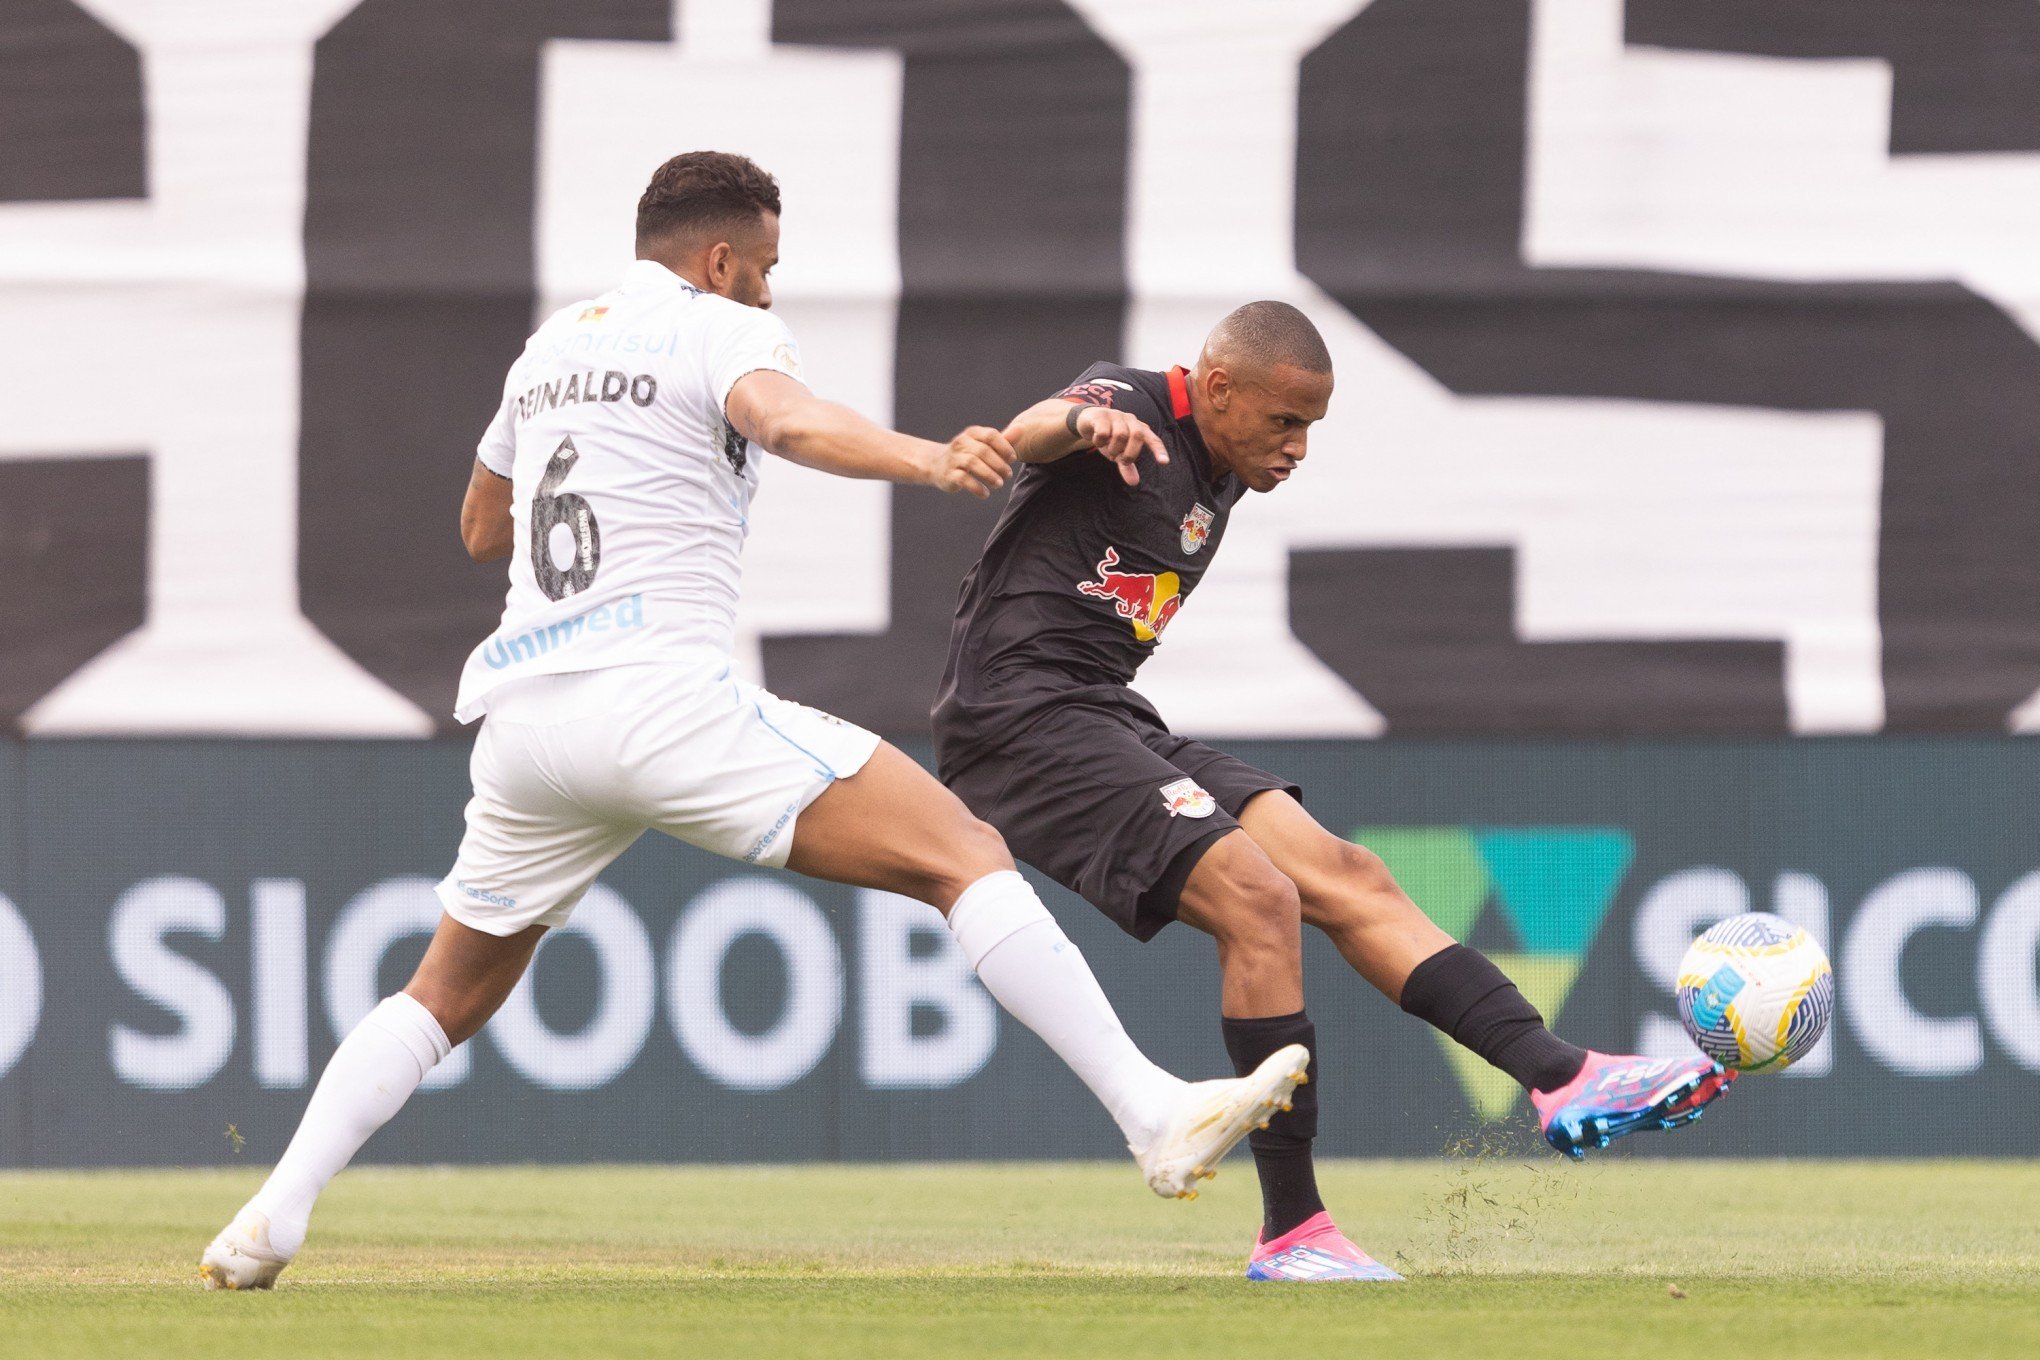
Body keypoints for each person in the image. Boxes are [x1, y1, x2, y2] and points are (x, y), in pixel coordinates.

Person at [199, 154, 1304, 1290]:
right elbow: (790, 421)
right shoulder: (718, 328)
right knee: (964, 852)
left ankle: (270, 1218)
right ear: (720, 260)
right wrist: (929, 457)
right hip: (658, 699)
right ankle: (1149, 1111)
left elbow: (485, 524)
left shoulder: (549, 349)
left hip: (525, 725)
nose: (770, 292)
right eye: (766, 267)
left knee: (443, 993)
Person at [932, 301, 1733, 1283]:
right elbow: (1026, 434)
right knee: (1261, 896)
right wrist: (1079, 424)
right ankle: (1293, 1232)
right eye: (1285, 420)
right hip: (1019, 721)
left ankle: (1564, 1077)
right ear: (1217, 388)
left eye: (1312, 425)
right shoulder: (1132, 401)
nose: (1300, 447)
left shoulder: (1219, 474)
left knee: (1342, 872)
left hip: (1104, 712)